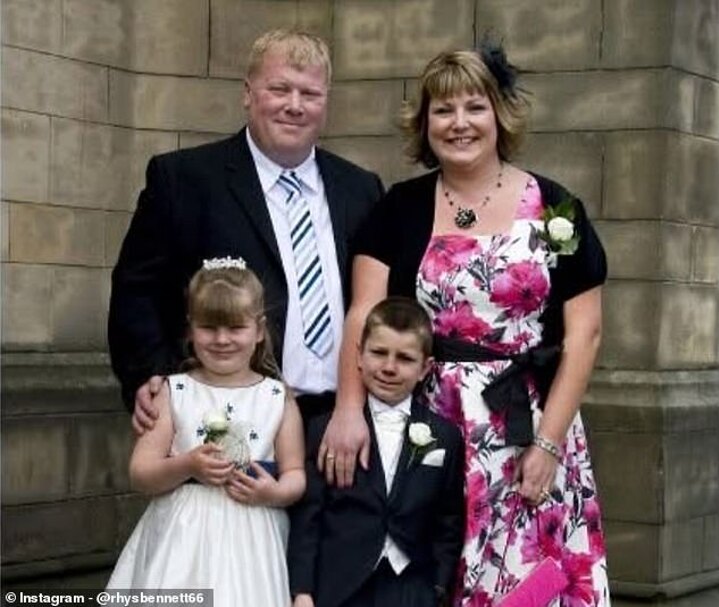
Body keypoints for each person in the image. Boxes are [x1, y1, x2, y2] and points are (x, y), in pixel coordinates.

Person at [323, 44, 611, 606]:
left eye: (474, 107)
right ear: (424, 123)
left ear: (499, 114)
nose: (459, 123)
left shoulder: (555, 207)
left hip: (530, 423)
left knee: (531, 579)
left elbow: (585, 335)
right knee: (432, 570)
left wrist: (549, 444)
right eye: (443, 110)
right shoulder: (398, 208)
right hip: (432, 424)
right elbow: (363, 315)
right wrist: (348, 409)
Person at [108, 29, 384, 433]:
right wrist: (151, 377)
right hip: (222, 418)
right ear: (247, 93)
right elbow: (137, 291)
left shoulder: (361, 189)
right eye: (279, 89)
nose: (294, 106)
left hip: (341, 424)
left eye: (309, 94)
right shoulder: (183, 180)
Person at [107, 258, 305, 607]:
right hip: (181, 539)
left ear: (259, 330)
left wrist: (273, 493)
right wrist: (187, 465)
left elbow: (295, 474)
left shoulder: (278, 398)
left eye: (236, 327)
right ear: (190, 329)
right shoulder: (173, 391)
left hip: (253, 538)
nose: (222, 339)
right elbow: (141, 472)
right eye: (209, 328)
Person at [288, 297, 464, 607]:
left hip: (413, 589)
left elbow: (448, 521)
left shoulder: (445, 436)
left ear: (425, 368)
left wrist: (438, 586)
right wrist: (302, 591)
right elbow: (308, 518)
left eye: (405, 358)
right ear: (358, 355)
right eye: (379, 353)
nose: (389, 367)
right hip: (339, 588)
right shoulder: (325, 429)